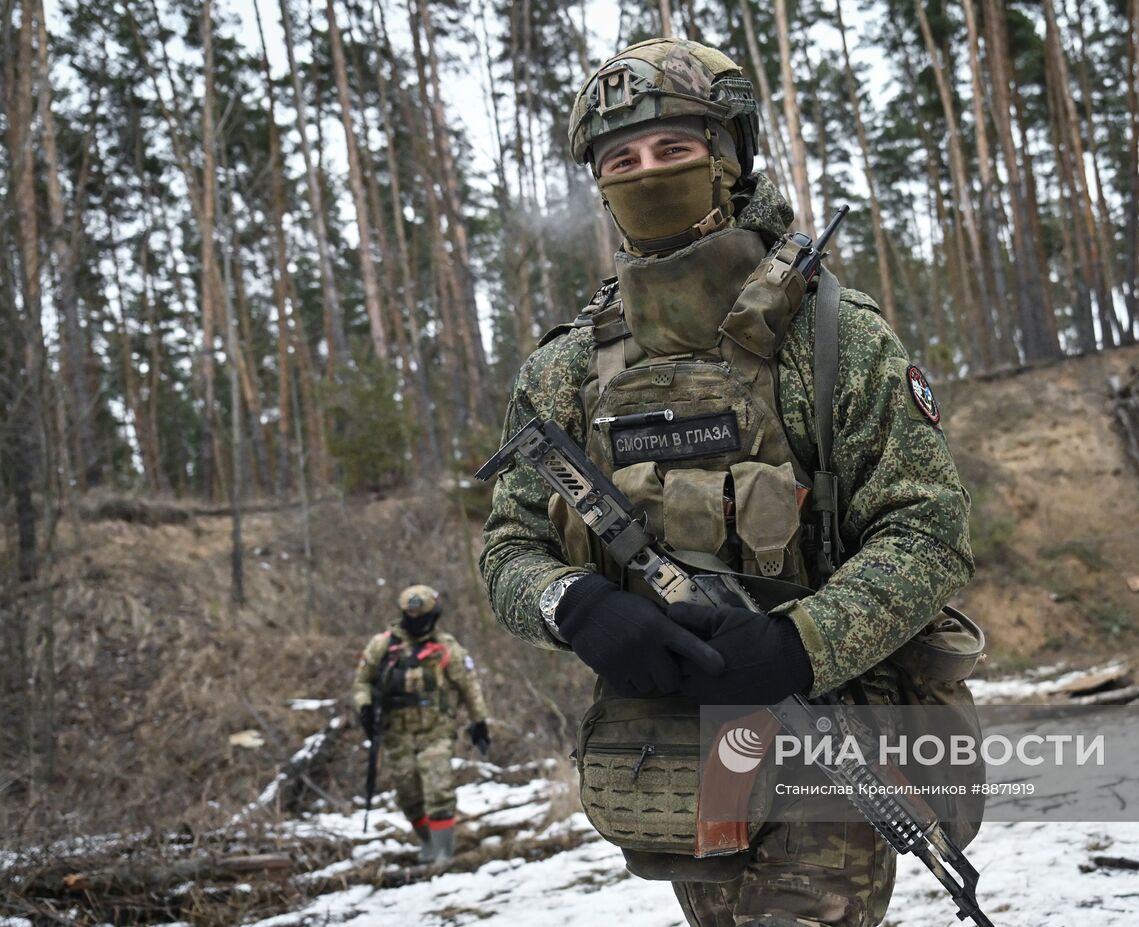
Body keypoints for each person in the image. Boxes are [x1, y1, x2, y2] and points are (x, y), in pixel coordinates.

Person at [478, 37, 974, 926]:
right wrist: (577, 606)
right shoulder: (566, 369)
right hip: (673, 755)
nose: (647, 172)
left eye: (675, 148)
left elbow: (928, 530)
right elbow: (510, 546)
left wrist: (799, 643)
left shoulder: (831, 335)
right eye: (620, 158)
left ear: (730, 156)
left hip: (830, 732)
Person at [352, 584, 491, 865]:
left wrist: (480, 722)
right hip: (396, 733)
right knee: (408, 796)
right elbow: (362, 681)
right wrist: (364, 707)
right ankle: (427, 843)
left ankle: (444, 853)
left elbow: (469, 686)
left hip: (436, 731)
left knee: (439, 791)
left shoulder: (446, 648)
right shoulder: (383, 645)